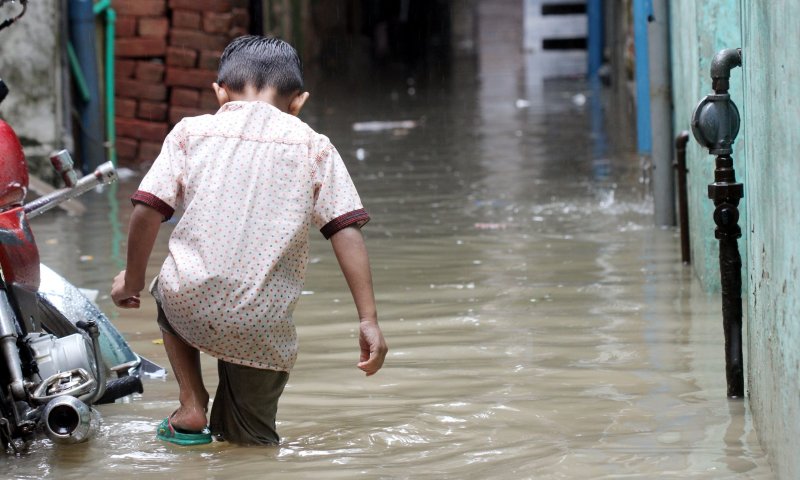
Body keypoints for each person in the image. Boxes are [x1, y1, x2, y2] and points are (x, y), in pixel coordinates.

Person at [110, 35, 388, 446]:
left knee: (166, 286)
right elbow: (344, 229)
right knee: (250, 444)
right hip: (262, 321)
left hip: (191, 299)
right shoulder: (315, 147)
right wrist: (368, 320)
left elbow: (147, 209)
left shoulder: (190, 133)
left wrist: (131, 281)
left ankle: (190, 402)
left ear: (220, 92)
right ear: (298, 103)